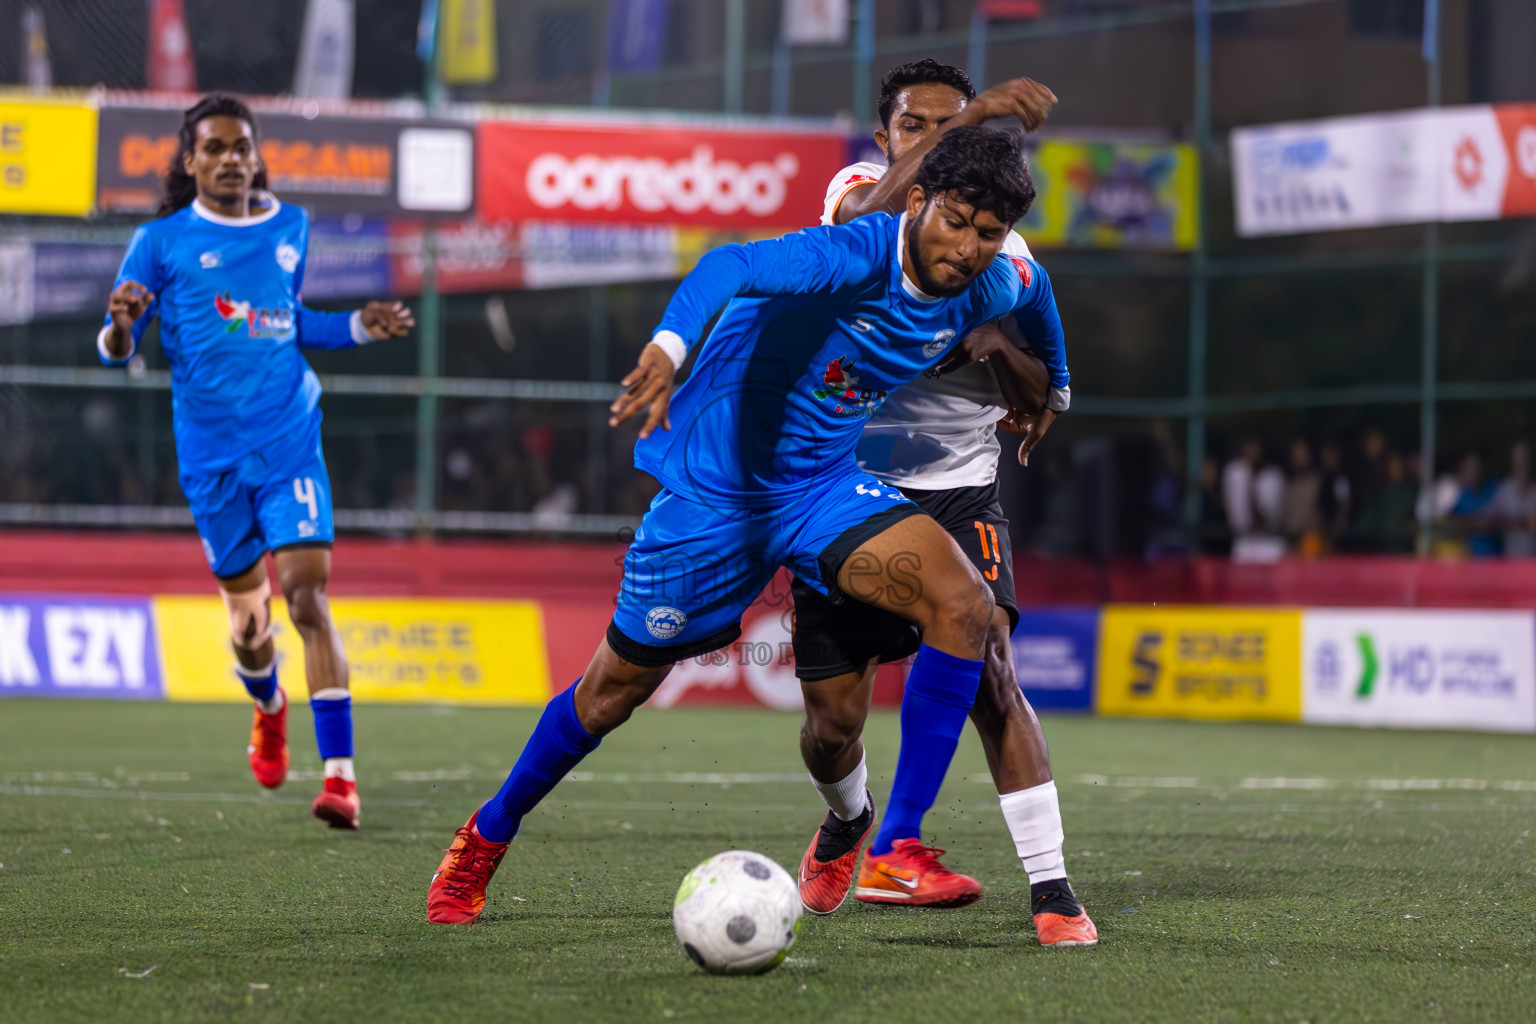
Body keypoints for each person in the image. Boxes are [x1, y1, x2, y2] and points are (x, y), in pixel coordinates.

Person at [426, 126, 1066, 926]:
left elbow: (1034, 295)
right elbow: (727, 264)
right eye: (956, 220)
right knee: (609, 694)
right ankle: (487, 833)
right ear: (917, 202)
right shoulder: (853, 255)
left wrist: (1057, 389)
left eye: (988, 232)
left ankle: (894, 843)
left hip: (823, 489)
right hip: (714, 499)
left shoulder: (988, 282)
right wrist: (668, 347)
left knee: (967, 608)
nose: (968, 247)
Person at [787, 59, 1095, 948]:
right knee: (831, 724)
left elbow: (1047, 388)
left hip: (961, 488)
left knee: (991, 662)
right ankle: (850, 822)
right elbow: (868, 225)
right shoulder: (857, 196)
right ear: (884, 138)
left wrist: (1000, 344)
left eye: (954, 128)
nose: (934, 141)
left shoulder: (1003, 250)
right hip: (842, 491)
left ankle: (1047, 889)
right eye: (916, 127)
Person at [99, 95, 414, 829]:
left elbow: (288, 322)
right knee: (249, 627)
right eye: (215, 148)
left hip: (289, 443)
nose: (232, 158)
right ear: (191, 161)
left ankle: (341, 779)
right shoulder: (159, 242)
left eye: (242, 146)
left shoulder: (291, 227)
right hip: (211, 463)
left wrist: (359, 330)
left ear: (257, 155)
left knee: (306, 597)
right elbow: (116, 350)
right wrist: (119, 328)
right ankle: (269, 706)